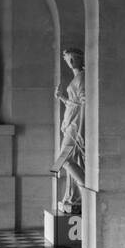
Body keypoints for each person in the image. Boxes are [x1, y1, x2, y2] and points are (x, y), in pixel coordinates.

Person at [51, 47, 85, 214]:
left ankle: (85, 188)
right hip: (70, 124)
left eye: (71, 59)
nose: (70, 62)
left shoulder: (82, 78)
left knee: (62, 159)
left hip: (75, 126)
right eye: (67, 60)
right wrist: (62, 97)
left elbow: (83, 106)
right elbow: (75, 103)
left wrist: (80, 129)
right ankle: (75, 195)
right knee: (65, 161)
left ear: (78, 59)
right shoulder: (77, 79)